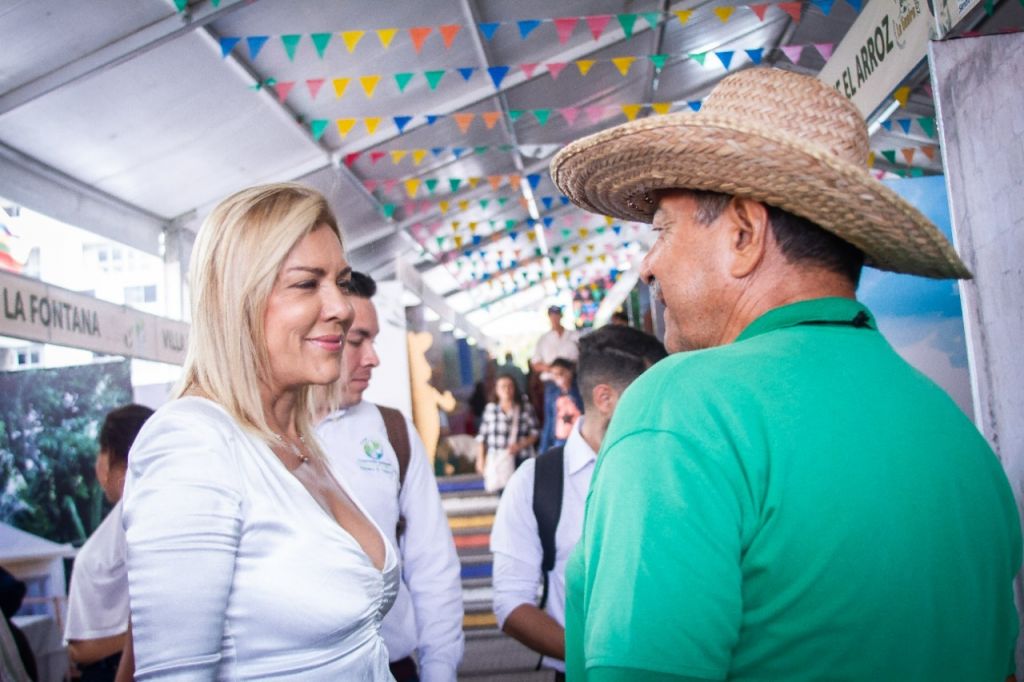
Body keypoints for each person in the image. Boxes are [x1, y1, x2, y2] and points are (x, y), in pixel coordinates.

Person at [550, 67, 1021, 680]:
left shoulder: (682, 403)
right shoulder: (956, 436)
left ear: (744, 233)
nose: (648, 266)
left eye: (664, 230)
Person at [121, 182, 399, 679]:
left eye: (341, 280)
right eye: (307, 283)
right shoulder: (192, 443)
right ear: (238, 300)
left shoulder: (294, 443)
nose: (341, 306)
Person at [490, 326, 666, 679]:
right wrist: (599, 661)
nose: (664, 407)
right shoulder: (536, 482)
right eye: (653, 394)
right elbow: (511, 603)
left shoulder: (672, 466)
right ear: (605, 398)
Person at [314, 271, 464, 682]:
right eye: (357, 340)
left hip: (395, 666)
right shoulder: (260, 436)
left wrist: (438, 669)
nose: (373, 358)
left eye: (373, 340)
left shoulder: (392, 431)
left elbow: (432, 564)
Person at [64, 404, 153, 682]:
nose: (97, 466)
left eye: (101, 452)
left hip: (116, 669)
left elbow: (80, 650)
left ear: (115, 457)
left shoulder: (137, 512)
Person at [475, 374, 540, 490]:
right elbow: (482, 437)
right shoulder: (490, 409)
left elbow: (535, 433)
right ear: (496, 390)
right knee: (503, 493)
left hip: (521, 458)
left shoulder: (525, 408)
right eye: (502, 387)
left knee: (522, 490)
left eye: (510, 386)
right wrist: (480, 459)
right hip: (499, 459)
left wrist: (519, 445)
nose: (506, 390)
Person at [539, 358, 583, 453]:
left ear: (570, 372)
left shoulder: (580, 388)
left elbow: (583, 408)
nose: (559, 377)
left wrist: (568, 389)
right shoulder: (551, 392)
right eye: (555, 374)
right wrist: (543, 448)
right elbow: (549, 419)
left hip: (580, 438)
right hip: (560, 439)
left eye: (562, 373)